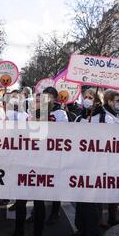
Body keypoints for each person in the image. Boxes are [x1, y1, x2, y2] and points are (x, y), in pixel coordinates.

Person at [8, 92, 47, 236]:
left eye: (39, 101)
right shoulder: (25, 118)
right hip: (23, 164)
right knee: (21, 200)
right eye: (35, 100)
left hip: (43, 167)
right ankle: (19, 231)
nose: (36, 103)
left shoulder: (51, 120)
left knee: (39, 203)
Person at [72, 87, 105, 236]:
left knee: (91, 203)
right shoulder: (79, 118)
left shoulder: (104, 118)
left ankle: (94, 235)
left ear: (98, 100)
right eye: (85, 96)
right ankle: (82, 230)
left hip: (96, 166)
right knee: (80, 200)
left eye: (90, 97)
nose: (87, 99)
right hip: (80, 164)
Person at [41, 87, 68, 225]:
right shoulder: (38, 110)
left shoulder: (60, 113)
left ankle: (55, 211)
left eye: (50, 96)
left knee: (55, 182)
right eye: (45, 95)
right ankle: (37, 211)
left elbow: (63, 131)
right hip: (40, 152)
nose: (47, 98)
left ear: (55, 98)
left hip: (55, 152)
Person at [100, 89, 119, 227]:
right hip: (105, 156)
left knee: (114, 186)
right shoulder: (103, 115)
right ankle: (100, 218)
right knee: (102, 186)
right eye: (117, 101)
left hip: (118, 156)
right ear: (109, 101)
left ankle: (113, 216)